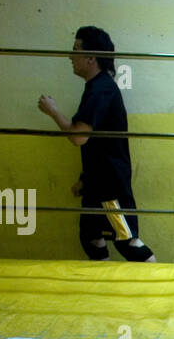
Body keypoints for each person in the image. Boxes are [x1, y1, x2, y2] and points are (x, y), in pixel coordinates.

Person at [37, 26, 156, 262]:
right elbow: (98, 142)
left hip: (109, 186)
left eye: (75, 50)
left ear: (91, 57)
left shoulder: (101, 89)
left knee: (127, 242)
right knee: (91, 238)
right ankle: (103, 286)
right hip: (98, 181)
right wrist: (85, 178)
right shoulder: (97, 87)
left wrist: (54, 112)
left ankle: (162, 288)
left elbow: (78, 136)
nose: (70, 56)